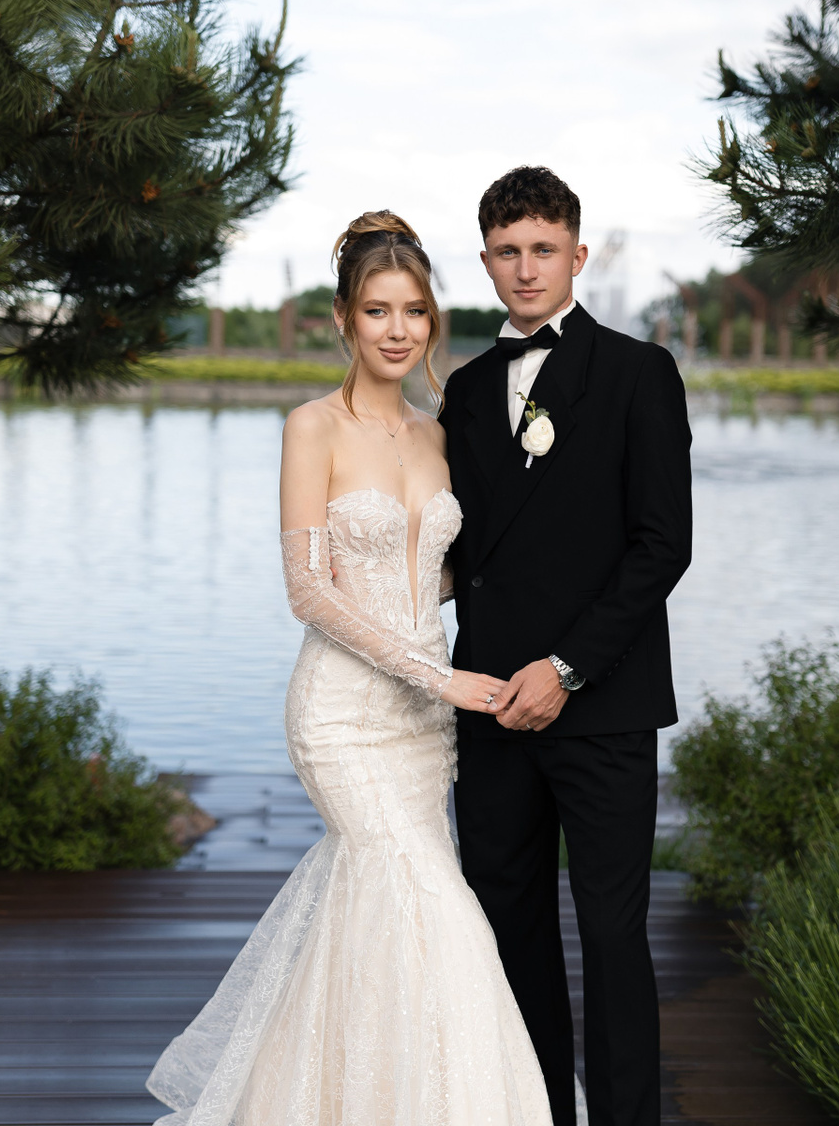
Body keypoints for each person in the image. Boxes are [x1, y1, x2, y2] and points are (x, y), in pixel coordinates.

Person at [146, 211, 553, 1125]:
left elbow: (444, 576)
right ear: (343, 318)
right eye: (377, 311)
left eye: (414, 311)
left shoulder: (441, 435)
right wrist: (439, 677)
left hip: (422, 732)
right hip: (341, 716)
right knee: (435, 911)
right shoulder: (312, 429)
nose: (398, 330)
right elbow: (309, 590)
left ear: (432, 320)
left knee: (380, 921)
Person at [441, 166, 693, 1126]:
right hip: (491, 709)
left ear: (577, 256)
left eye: (543, 249)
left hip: (604, 705)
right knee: (509, 935)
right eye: (508, 251)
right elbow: (461, 549)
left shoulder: (638, 373)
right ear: (485, 261)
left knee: (613, 936)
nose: (526, 268)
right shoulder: (467, 391)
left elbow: (661, 545)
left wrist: (568, 668)